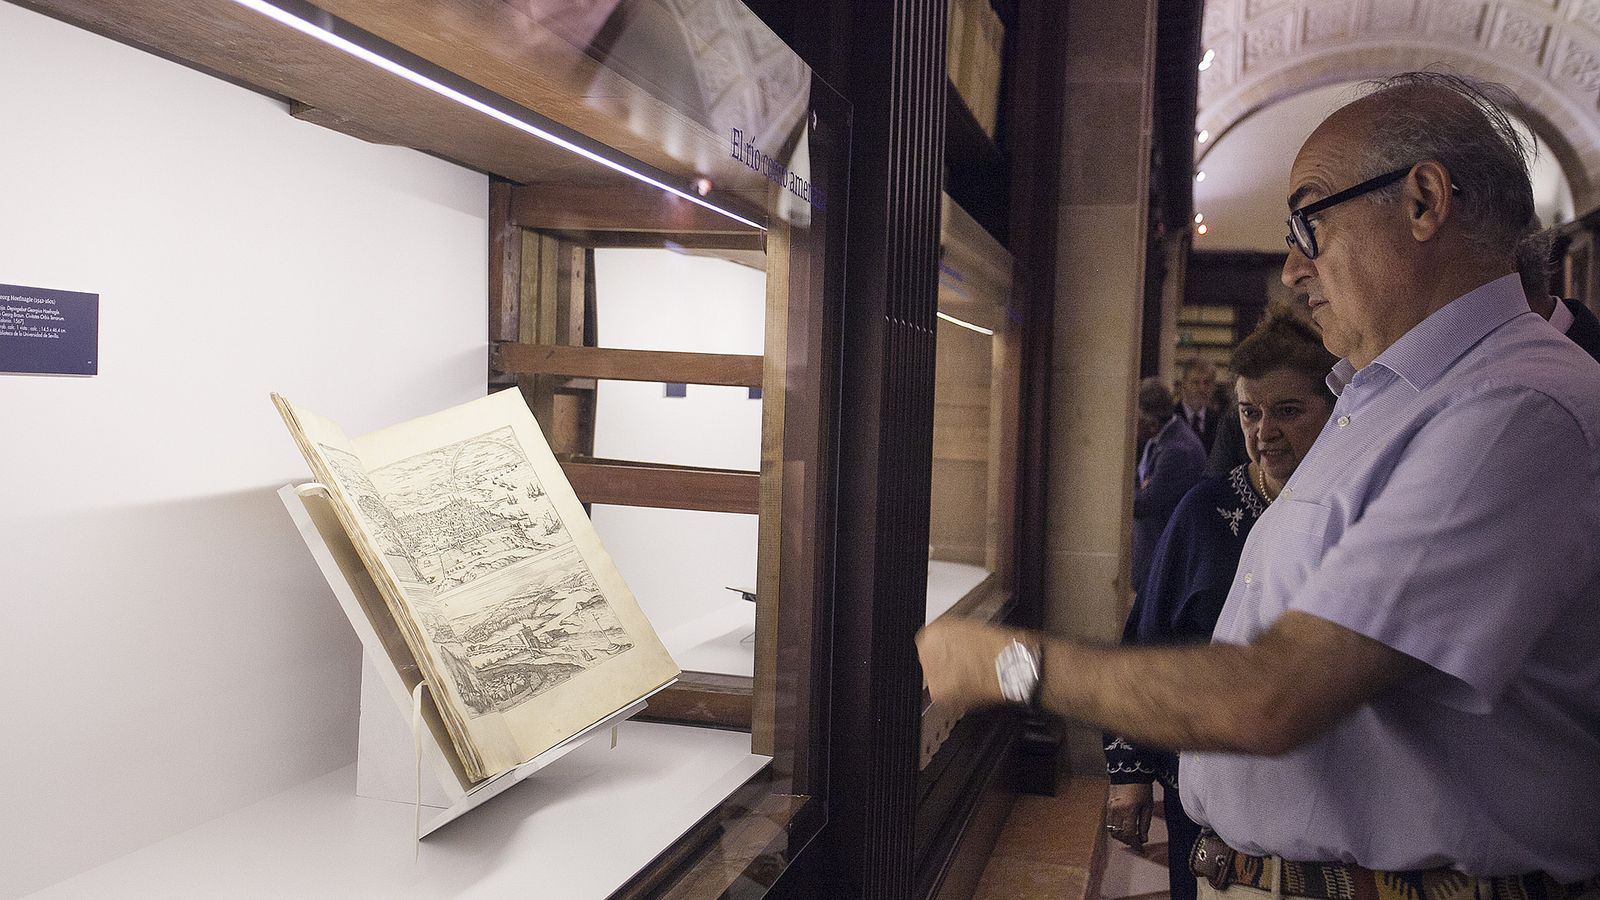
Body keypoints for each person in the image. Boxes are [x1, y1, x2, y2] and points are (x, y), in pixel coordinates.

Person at [918, 71, 1600, 892]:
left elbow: (1274, 695)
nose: (1290, 269)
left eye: (1308, 222)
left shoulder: (1514, 407)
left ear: (1423, 201)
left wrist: (1007, 665)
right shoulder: (1391, 396)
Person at [1103, 315, 1336, 898]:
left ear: (1335, 407)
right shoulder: (1205, 511)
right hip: (1205, 789)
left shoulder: (1353, 511)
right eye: (1250, 412)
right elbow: (1148, 641)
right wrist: (1129, 776)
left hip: (1323, 791)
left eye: (1288, 411)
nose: (1266, 432)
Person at [1131, 377, 1207, 598]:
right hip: (1150, 550)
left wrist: (1138, 492)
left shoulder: (1177, 450)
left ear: (1152, 422)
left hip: (1161, 555)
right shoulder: (1162, 439)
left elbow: (1146, 504)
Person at [1175, 358, 1221, 452]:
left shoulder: (1219, 421)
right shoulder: (1171, 417)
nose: (1202, 389)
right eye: (1195, 382)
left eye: (1207, 383)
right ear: (1184, 384)